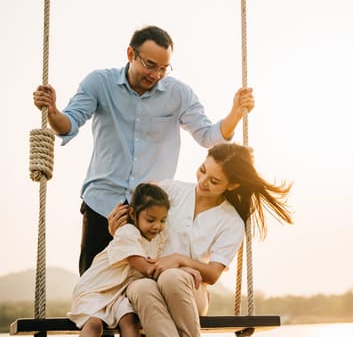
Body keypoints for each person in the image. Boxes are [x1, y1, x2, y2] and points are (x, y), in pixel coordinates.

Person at [32, 25, 255, 275]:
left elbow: (208, 136)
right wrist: (52, 111)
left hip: (152, 209)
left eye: (163, 68)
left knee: (144, 286)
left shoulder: (178, 94)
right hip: (102, 203)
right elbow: (68, 124)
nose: (156, 74)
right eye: (150, 65)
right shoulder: (99, 82)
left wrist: (235, 114)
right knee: (94, 282)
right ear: (130, 54)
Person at [108, 142, 293, 337]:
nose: (203, 181)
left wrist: (180, 260)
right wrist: (116, 230)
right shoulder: (171, 191)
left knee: (172, 277)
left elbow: (213, 274)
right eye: (202, 170)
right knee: (140, 287)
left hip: (191, 291)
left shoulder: (231, 222)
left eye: (214, 181)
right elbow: (136, 221)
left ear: (232, 185)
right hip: (149, 283)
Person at [68, 183, 184, 337]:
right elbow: (147, 268)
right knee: (94, 325)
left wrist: (181, 267)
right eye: (150, 220)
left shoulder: (158, 239)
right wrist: (182, 265)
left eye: (162, 220)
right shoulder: (127, 233)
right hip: (96, 290)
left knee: (130, 321)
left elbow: (158, 263)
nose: (157, 226)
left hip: (119, 294)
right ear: (133, 213)